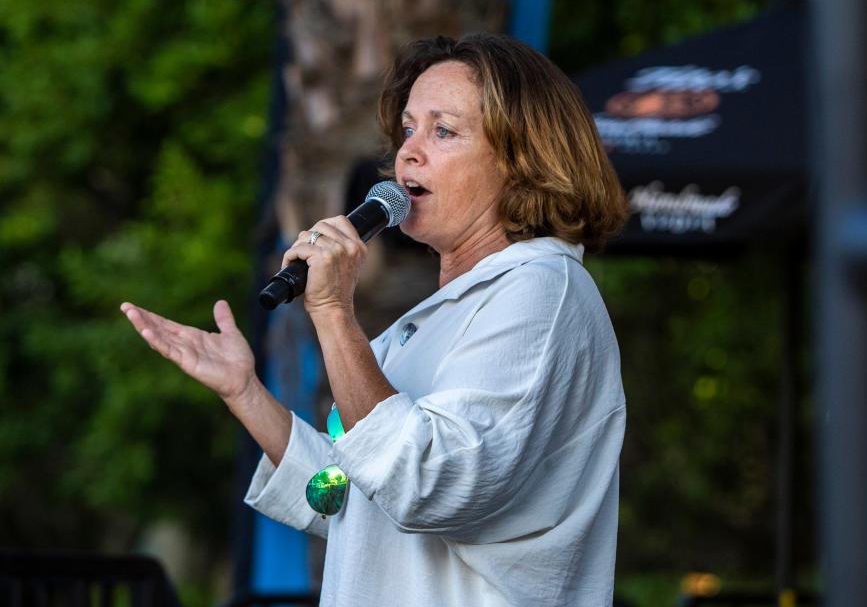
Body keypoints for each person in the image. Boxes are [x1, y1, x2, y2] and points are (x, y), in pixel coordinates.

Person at [120, 34, 631, 606]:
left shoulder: (541, 292)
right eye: (409, 129)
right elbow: (345, 495)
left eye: (444, 130)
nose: (408, 152)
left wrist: (334, 313)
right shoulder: (442, 317)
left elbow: (427, 485)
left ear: (523, 162)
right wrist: (246, 393)